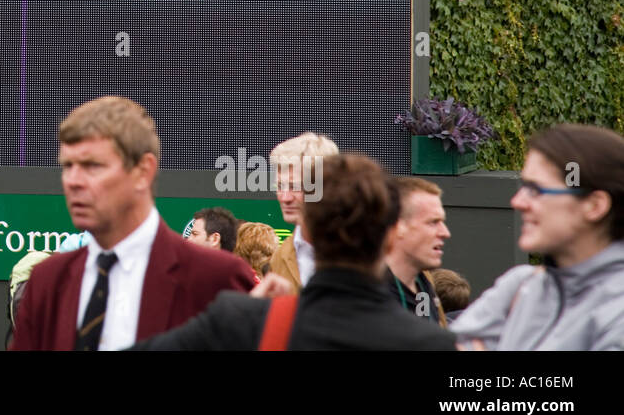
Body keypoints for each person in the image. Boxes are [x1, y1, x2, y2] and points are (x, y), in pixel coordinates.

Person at [131, 154, 458, 351]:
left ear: (307, 232)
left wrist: (244, 318)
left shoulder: (241, 319)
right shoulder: (432, 344)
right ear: (390, 239)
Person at [10, 96, 255, 351]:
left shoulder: (218, 279)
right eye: (67, 166)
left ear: (143, 171)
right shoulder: (46, 282)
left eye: (92, 166)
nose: (73, 181)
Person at [451, 124, 624, 350]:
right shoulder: (519, 286)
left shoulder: (617, 309)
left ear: (594, 205)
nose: (517, 202)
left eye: (536, 189)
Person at [267, 132, 339, 290]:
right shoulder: (280, 257)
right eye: (279, 186)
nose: (285, 198)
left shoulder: (360, 250)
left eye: (295, 187)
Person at [384, 177, 450, 326]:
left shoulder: (423, 283)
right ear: (399, 226)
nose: (445, 232)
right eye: (433, 222)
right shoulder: (363, 294)